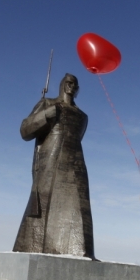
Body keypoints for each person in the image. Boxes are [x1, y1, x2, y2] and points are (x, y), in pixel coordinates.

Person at [13, 73, 96, 258]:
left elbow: (77, 137)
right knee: (43, 205)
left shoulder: (83, 117)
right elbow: (25, 130)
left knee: (80, 207)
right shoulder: (47, 104)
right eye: (68, 83)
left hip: (75, 163)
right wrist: (45, 115)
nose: (71, 87)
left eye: (75, 84)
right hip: (49, 162)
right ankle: (34, 248)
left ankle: (80, 252)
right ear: (61, 85)